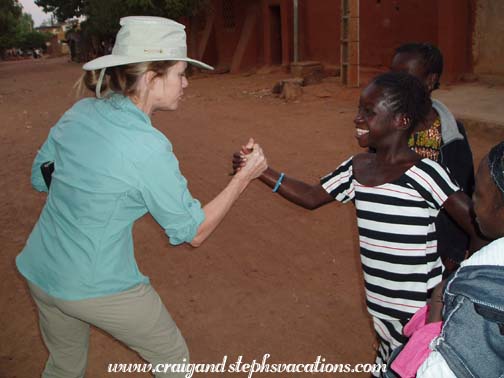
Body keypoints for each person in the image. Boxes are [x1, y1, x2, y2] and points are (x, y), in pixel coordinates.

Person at [16, 16, 267, 378]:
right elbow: (193, 232)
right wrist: (245, 176)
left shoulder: (80, 111)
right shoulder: (148, 147)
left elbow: (41, 177)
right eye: (180, 74)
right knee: (173, 360)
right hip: (95, 284)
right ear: (151, 78)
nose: (185, 84)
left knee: (64, 365)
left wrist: (87, 188)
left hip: (40, 269)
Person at [233, 72, 485, 375]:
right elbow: (312, 196)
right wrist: (261, 170)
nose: (357, 118)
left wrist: (456, 278)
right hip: (381, 311)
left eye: (368, 112)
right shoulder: (357, 169)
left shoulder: (426, 175)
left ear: (401, 121)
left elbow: (478, 225)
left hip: (422, 313)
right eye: (358, 110)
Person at [397, 142, 504, 378]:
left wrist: (434, 319)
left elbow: (441, 371)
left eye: (477, 193)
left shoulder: (477, 299)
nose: (472, 202)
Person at [390, 43, 475, 275]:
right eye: (392, 75)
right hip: (396, 246)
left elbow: (464, 194)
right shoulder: (388, 129)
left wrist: (456, 253)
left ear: (430, 81)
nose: (395, 84)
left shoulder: (451, 136)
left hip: (438, 251)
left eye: (404, 76)